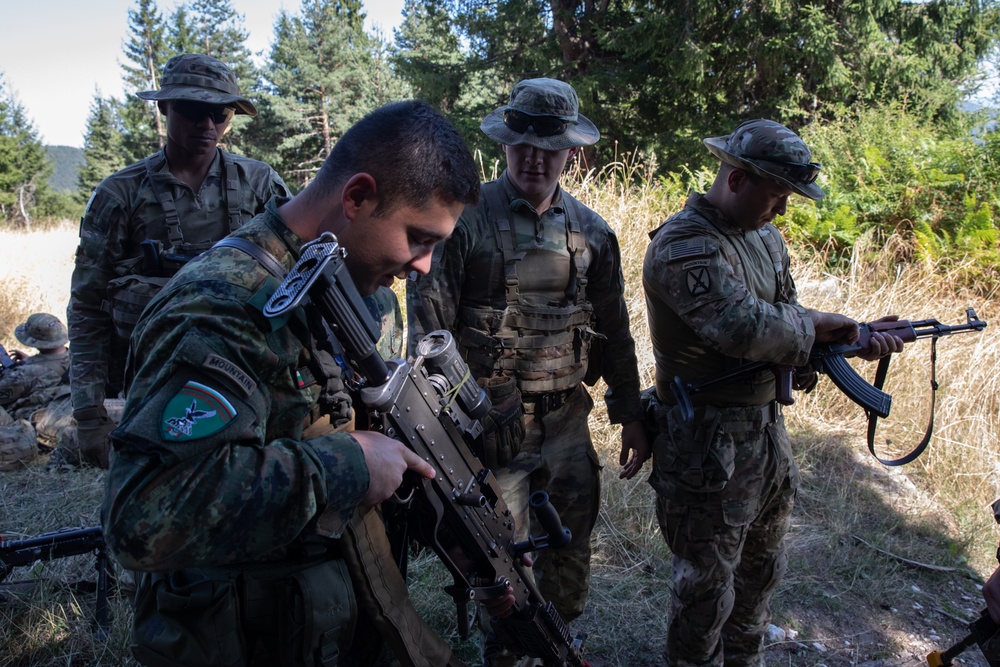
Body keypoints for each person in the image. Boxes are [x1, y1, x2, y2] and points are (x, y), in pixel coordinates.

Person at [101, 100, 486, 666]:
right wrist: (346, 466)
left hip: (333, 624)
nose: (424, 266)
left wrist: (445, 521)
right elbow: (140, 516)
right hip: (241, 639)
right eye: (419, 238)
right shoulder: (221, 308)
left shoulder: (368, 293)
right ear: (356, 197)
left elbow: (362, 435)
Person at [642, 118, 905, 667]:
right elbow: (742, 328)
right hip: (705, 447)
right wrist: (826, 327)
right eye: (777, 195)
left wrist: (853, 340)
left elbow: (787, 326)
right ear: (736, 180)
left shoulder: (764, 238)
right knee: (705, 594)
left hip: (764, 438)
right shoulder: (683, 246)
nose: (782, 210)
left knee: (758, 580)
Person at [407, 77, 650, 665]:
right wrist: (470, 412)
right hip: (491, 427)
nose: (536, 158)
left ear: (572, 150)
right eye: (524, 145)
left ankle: (559, 642)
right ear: (506, 145)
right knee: (500, 555)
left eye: (551, 146)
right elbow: (428, 330)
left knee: (570, 543)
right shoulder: (464, 222)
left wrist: (631, 415)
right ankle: (509, 650)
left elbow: (615, 331)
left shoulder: (592, 233)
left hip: (567, 420)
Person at [64, 53, 290, 469]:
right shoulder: (121, 194)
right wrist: (89, 414)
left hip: (252, 377)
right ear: (164, 107)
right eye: (192, 111)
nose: (207, 126)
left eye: (219, 114)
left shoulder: (259, 183)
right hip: (155, 385)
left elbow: (301, 285)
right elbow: (88, 306)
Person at [0, 313, 71, 470]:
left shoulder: (28, 372)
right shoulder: (75, 357)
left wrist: (15, 371)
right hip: (58, 412)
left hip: (34, 423)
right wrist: (29, 361)